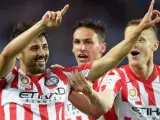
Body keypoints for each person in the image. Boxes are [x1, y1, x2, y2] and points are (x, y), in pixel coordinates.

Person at [0, 0, 159, 119]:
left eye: (45, 47)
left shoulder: (61, 77)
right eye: (34, 48)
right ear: (19, 54)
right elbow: (7, 54)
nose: (42, 53)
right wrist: (43, 25)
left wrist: (139, 30)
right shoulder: (7, 77)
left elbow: (110, 59)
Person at [67, 0, 160, 119]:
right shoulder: (115, 76)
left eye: (140, 40)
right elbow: (104, 105)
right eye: (129, 41)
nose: (133, 45)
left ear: (155, 45)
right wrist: (90, 94)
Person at [64, 19, 107, 120]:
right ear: (72, 47)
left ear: (102, 48)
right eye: (77, 42)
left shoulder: (115, 77)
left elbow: (98, 112)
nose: (82, 48)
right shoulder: (64, 80)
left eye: (88, 42)